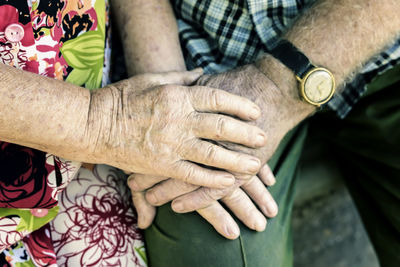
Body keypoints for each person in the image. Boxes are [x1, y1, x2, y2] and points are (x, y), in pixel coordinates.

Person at [124, 0, 400, 266]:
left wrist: (277, 89)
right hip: (205, 64)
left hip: (385, 49)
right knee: (219, 253)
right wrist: (166, 99)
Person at [0, 0, 275, 266]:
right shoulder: (104, 122)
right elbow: (101, 123)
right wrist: (100, 122)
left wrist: (170, 105)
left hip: (100, 141)